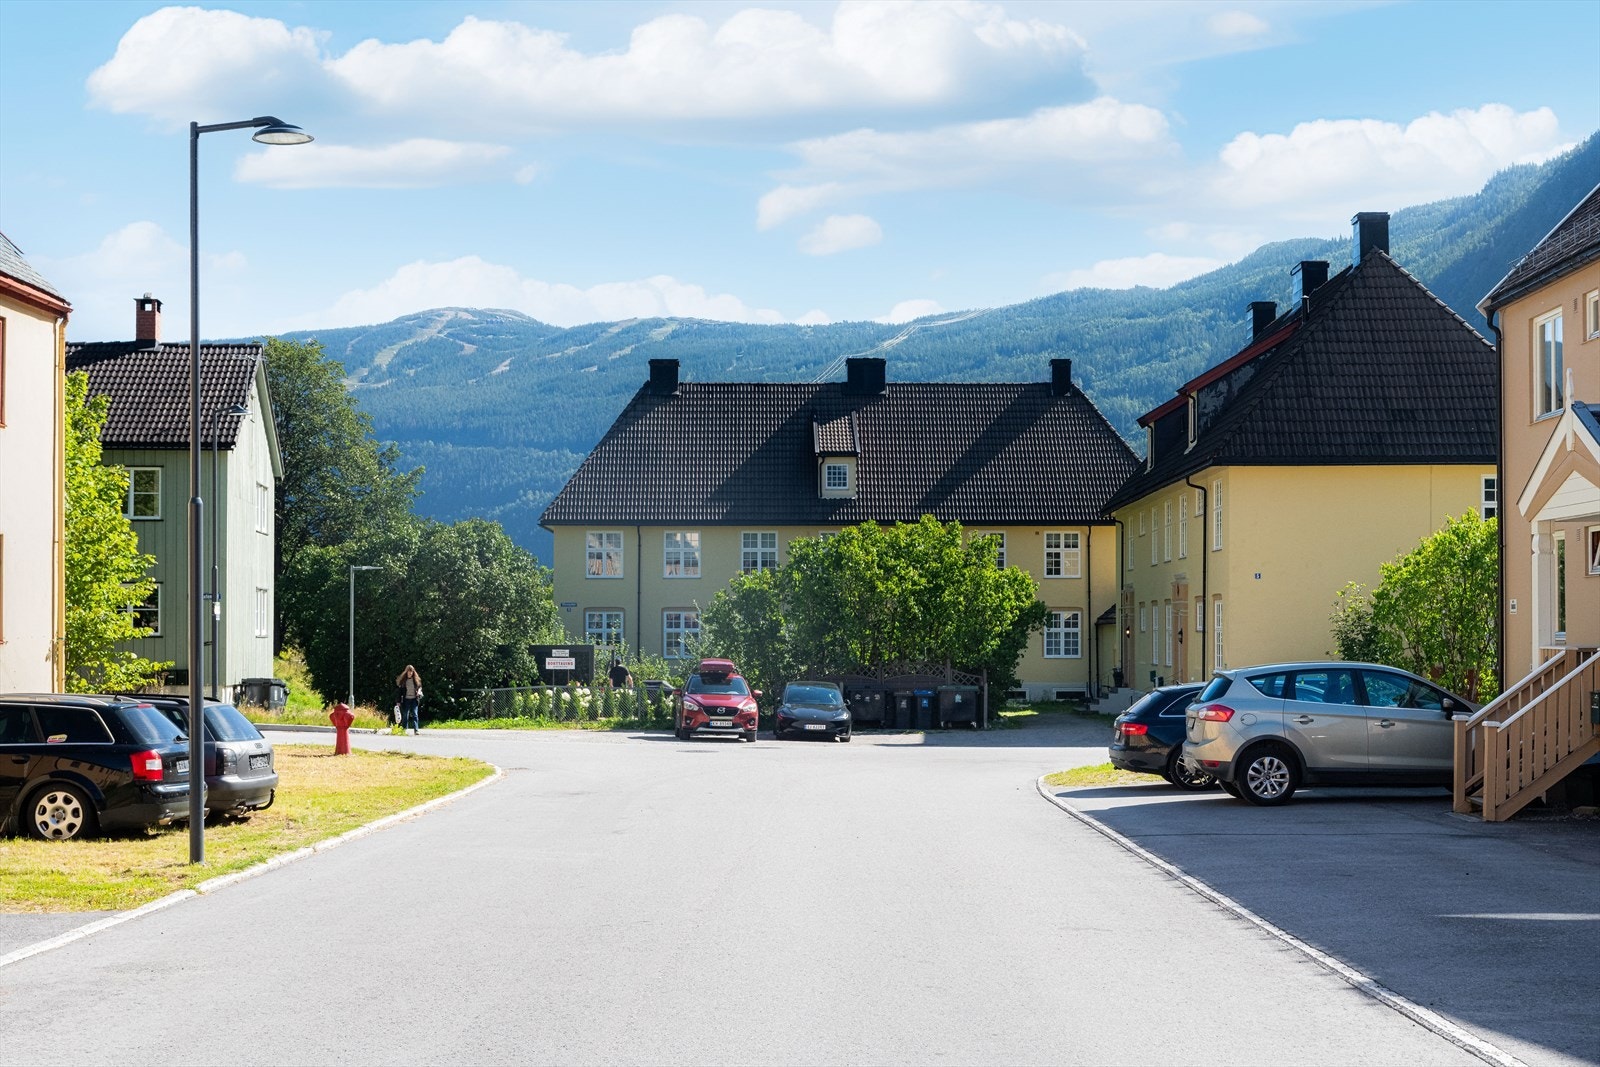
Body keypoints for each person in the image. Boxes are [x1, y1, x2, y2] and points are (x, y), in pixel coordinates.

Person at [396, 665, 423, 734]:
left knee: (415, 714)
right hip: (406, 700)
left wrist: (419, 692)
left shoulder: (416, 680)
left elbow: (420, 687)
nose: (410, 673)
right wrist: (398, 701)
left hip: (414, 699)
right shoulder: (403, 682)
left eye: (411, 672)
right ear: (406, 672)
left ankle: (416, 730)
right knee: (405, 715)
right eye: (409, 671)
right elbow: (399, 693)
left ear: (413, 672)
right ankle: (404, 729)